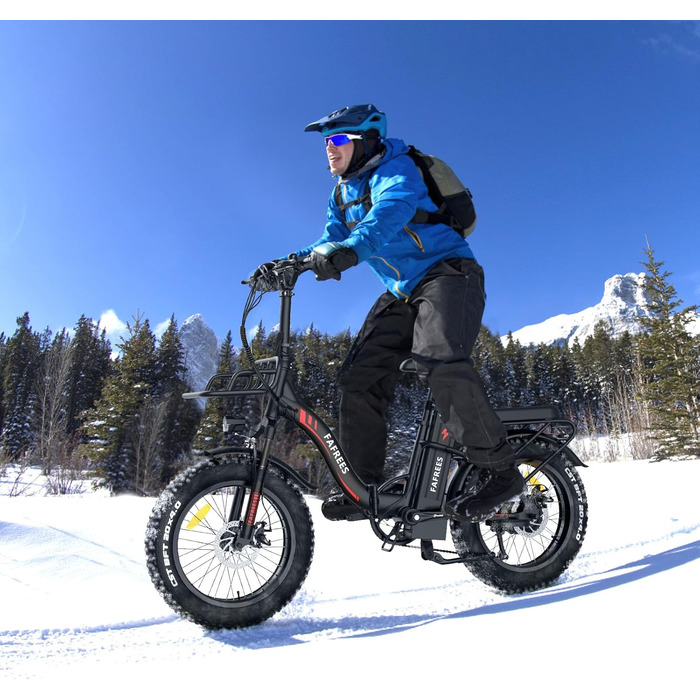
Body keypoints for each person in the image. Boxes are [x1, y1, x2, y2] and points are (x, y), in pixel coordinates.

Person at [263, 104, 524, 522]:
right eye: (325, 144)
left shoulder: (397, 169)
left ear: (365, 140)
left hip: (449, 274)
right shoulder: (341, 194)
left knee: (438, 358)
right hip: (403, 291)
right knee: (358, 376)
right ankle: (361, 486)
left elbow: (390, 214)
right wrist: (289, 263)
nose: (328, 151)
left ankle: (500, 469)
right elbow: (329, 239)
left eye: (336, 141)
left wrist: (351, 250)